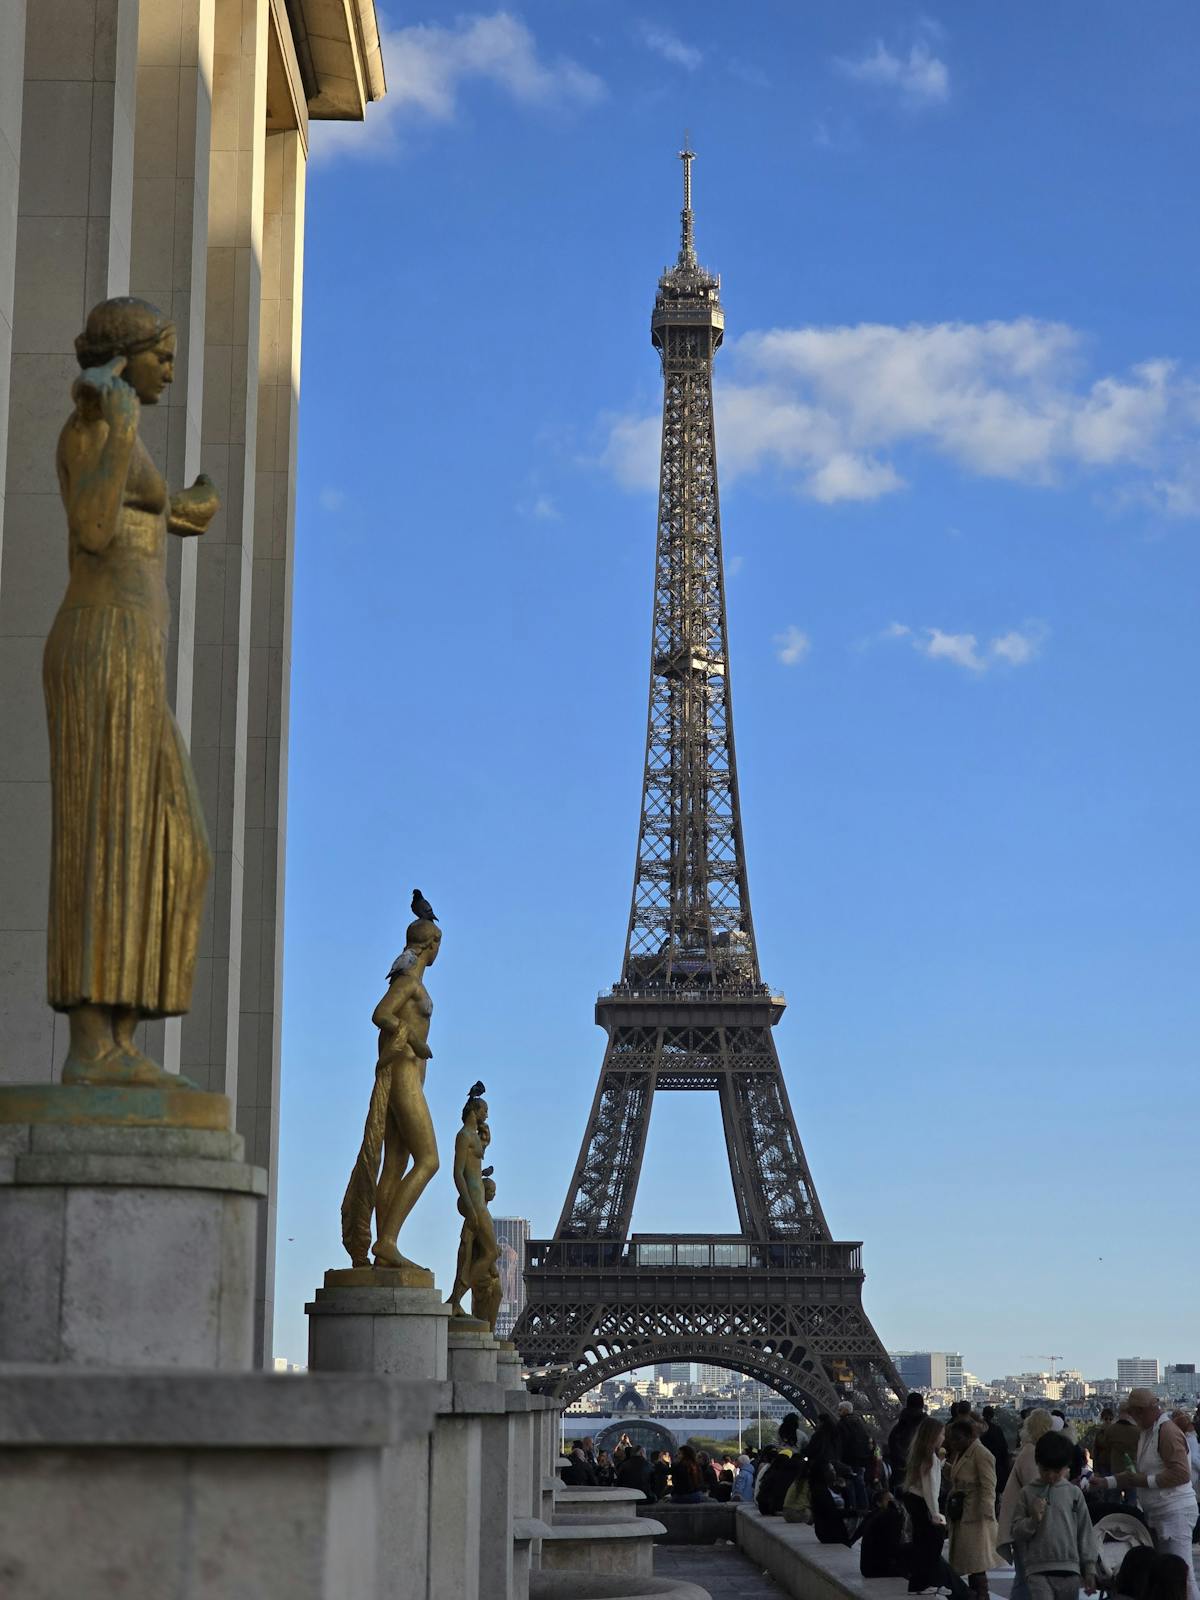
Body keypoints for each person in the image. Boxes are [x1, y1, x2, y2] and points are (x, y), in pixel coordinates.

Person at [1092, 1388, 1199, 1600]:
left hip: (1174, 1512)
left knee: (1181, 1575)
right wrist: (1105, 1482)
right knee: (1166, 1576)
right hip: (1161, 1511)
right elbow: (1135, 1473)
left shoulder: (1167, 1432)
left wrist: (1144, 1481)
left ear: (1144, 1411)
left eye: (1135, 1414)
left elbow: (1180, 1474)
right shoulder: (1148, 1432)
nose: (1133, 1418)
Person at [1008, 1430, 1099, 1600]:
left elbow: (1085, 1531)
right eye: (1045, 1470)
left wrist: (1089, 1568)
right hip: (1037, 1569)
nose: (1050, 1476)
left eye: (1056, 1471)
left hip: (1070, 1569)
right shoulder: (1028, 1493)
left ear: (1066, 1468)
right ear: (1038, 1464)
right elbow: (1016, 1531)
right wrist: (1033, 1520)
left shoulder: (1073, 1494)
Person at [903, 1416, 969, 1596]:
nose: (943, 1437)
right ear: (932, 1436)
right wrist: (936, 1514)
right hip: (923, 1504)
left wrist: (939, 1462)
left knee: (922, 1545)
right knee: (932, 1546)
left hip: (914, 1501)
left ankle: (919, 1583)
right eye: (941, 1433)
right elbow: (930, 1490)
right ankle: (928, 1582)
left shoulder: (922, 1456)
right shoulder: (929, 1459)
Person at [998, 1408, 1056, 1600]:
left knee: (1025, 1577)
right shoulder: (1032, 1454)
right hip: (1026, 1526)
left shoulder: (1028, 1451)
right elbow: (1036, 1492)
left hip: (1020, 1523)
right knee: (1027, 1578)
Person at [946, 1417, 1000, 1598]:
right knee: (973, 1563)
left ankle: (980, 1595)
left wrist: (987, 1511)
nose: (953, 1443)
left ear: (969, 1437)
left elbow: (988, 1485)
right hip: (965, 1512)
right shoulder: (965, 1452)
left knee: (976, 1563)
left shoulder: (981, 1454)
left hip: (975, 1514)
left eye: (957, 1439)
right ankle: (977, 1594)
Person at [836, 1400, 874, 1511]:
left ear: (846, 1410)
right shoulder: (859, 1423)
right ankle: (863, 1506)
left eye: (840, 1409)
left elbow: (841, 1443)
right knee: (860, 1482)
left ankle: (852, 1506)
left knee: (849, 1484)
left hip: (848, 1459)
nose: (838, 1412)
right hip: (861, 1459)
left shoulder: (842, 1424)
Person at [888, 1392, 927, 1485]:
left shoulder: (898, 1428)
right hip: (921, 1470)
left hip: (901, 1469)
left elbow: (892, 1443)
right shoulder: (927, 1426)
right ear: (922, 1405)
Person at [980, 1405, 1011, 1495]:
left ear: (983, 1414)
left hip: (982, 1464)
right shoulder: (997, 1430)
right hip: (996, 1465)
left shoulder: (978, 1430)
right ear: (993, 1415)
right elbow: (1004, 1449)